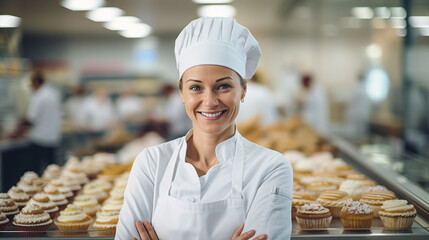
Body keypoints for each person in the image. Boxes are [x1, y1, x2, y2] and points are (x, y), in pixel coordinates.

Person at [116, 17, 293, 240]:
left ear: (243, 90)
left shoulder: (270, 168)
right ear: (181, 93)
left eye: (223, 86)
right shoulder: (151, 163)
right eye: (196, 87)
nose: (209, 101)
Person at [9, 71, 62, 175]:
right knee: (51, 171)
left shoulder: (38, 97)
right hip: (53, 137)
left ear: (36, 82)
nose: (30, 86)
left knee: (35, 172)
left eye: (31, 83)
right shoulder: (54, 93)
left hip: (39, 139)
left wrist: (16, 131)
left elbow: (30, 119)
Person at [345, 74, 372, 140]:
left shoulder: (356, 88)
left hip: (356, 115)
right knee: (361, 134)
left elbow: (350, 101)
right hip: (363, 115)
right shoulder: (365, 89)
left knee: (355, 135)